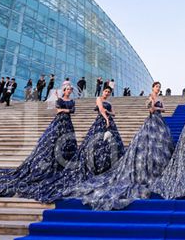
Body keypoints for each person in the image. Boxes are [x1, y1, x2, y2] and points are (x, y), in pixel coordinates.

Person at [70, 81, 174, 210]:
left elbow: (163, 109)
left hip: (160, 122)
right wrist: (153, 104)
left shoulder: (160, 98)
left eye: (159, 87)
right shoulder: (149, 97)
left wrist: (157, 107)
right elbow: (151, 110)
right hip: (148, 121)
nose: (158, 88)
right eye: (156, 86)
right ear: (152, 87)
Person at [0, 85, 77, 197]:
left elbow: (72, 110)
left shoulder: (72, 101)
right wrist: (64, 108)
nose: (69, 91)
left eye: (70, 89)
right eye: (67, 89)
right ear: (64, 90)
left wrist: (65, 110)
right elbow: (58, 110)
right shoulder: (60, 99)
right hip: (58, 123)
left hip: (68, 124)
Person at [35, 85, 125, 203]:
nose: (107, 93)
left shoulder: (109, 102)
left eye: (109, 92)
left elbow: (114, 113)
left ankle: (107, 166)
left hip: (109, 124)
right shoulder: (98, 98)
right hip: (101, 122)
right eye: (106, 91)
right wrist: (107, 118)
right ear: (103, 91)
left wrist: (108, 113)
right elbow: (101, 110)